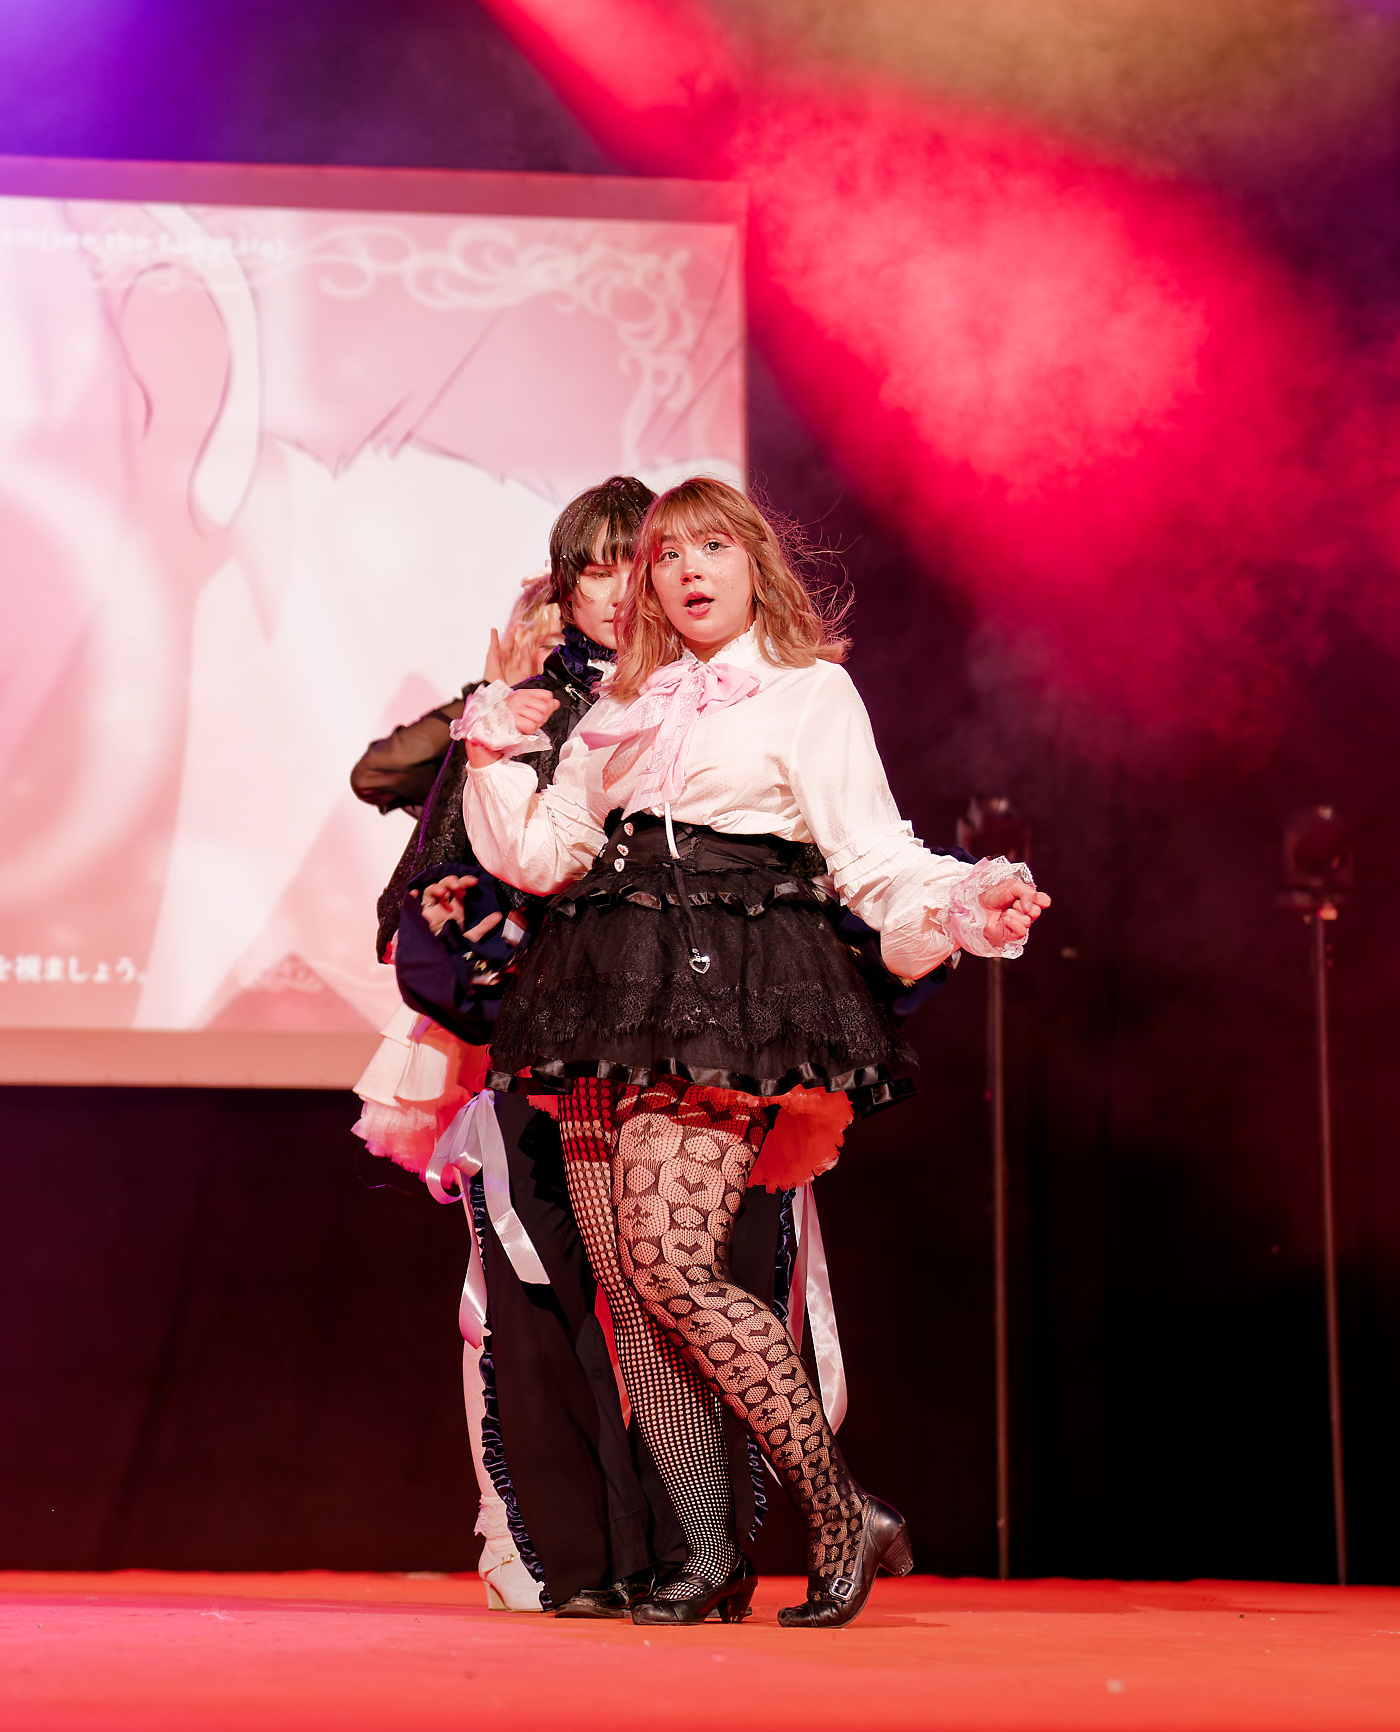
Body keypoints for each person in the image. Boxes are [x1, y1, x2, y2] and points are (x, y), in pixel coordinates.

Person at [456, 476, 1049, 1628]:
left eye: (711, 547)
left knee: (672, 1261)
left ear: (753, 564)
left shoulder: (806, 691)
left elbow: (871, 855)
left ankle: (839, 1509)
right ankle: (708, 1554)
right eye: (667, 555)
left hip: (722, 989)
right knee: (633, 1292)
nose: (687, 570)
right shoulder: (622, 703)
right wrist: (489, 752)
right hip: (598, 993)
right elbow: (546, 851)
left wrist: (960, 899)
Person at [360, 478, 782, 1617]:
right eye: (596, 568)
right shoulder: (529, 708)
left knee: (690, 1294)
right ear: (562, 588)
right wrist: (494, 707)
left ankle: (700, 1552)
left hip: (694, 1044)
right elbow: (414, 826)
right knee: (540, 1301)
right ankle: (582, 1560)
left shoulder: (734, 695)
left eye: (638, 563)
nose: (622, 589)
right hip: (538, 1040)